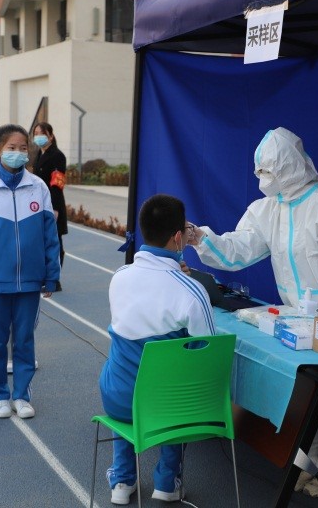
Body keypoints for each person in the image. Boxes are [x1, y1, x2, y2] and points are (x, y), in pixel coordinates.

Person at [188, 127, 318, 498]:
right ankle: (315, 463)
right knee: (312, 393)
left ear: (290, 167)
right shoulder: (267, 211)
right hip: (301, 316)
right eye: (258, 171)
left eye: (269, 171)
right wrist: (200, 237)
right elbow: (238, 249)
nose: (261, 179)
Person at [98, 194, 216, 505]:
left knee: (127, 367)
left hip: (117, 398)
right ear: (180, 238)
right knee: (177, 379)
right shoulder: (192, 291)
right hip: (166, 408)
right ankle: (167, 480)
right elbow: (207, 354)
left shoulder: (119, 277)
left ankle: (122, 479)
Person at [0, 124, 60, 419]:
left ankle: (21, 393)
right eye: (11, 148)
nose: (18, 153)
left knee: (24, 339)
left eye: (23, 148)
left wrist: (51, 274)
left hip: (30, 281)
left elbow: (49, 236)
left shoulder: (38, 187)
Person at [32, 122, 67, 273]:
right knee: (41, 241)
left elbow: (57, 185)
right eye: (36, 134)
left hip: (53, 204)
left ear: (51, 136)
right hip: (39, 203)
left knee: (55, 242)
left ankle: (54, 276)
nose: (38, 137)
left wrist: (55, 208)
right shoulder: (40, 154)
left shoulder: (58, 156)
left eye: (42, 133)